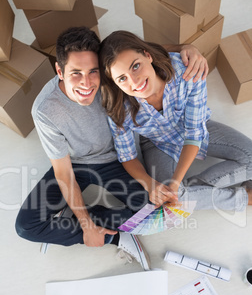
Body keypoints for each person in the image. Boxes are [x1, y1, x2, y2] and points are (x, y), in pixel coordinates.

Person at [15, 26, 209, 269]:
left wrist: (186, 49)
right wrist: (85, 225)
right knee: (26, 226)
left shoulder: (114, 80)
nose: (86, 83)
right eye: (75, 73)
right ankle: (114, 235)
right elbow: (63, 172)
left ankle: (88, 217)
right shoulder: (45, 109)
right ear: (59, 71)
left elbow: (137, 54)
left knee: (152, 210)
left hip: (116, 160)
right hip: (74, 164)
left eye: (93, 71)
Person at [99, 30, 252, 212]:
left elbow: (194, 133)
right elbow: (127, 156)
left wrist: (176, 183)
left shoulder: (185, 71)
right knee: (169, 199)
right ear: (115, 83)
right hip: (156, 143)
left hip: (194, 128)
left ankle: (188, 194)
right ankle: (243, 198)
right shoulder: (118, 108)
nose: (134, 81)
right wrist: (150, 185)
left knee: (173, 198)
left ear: (147, 56)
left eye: (135, 66)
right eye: (122, 78)